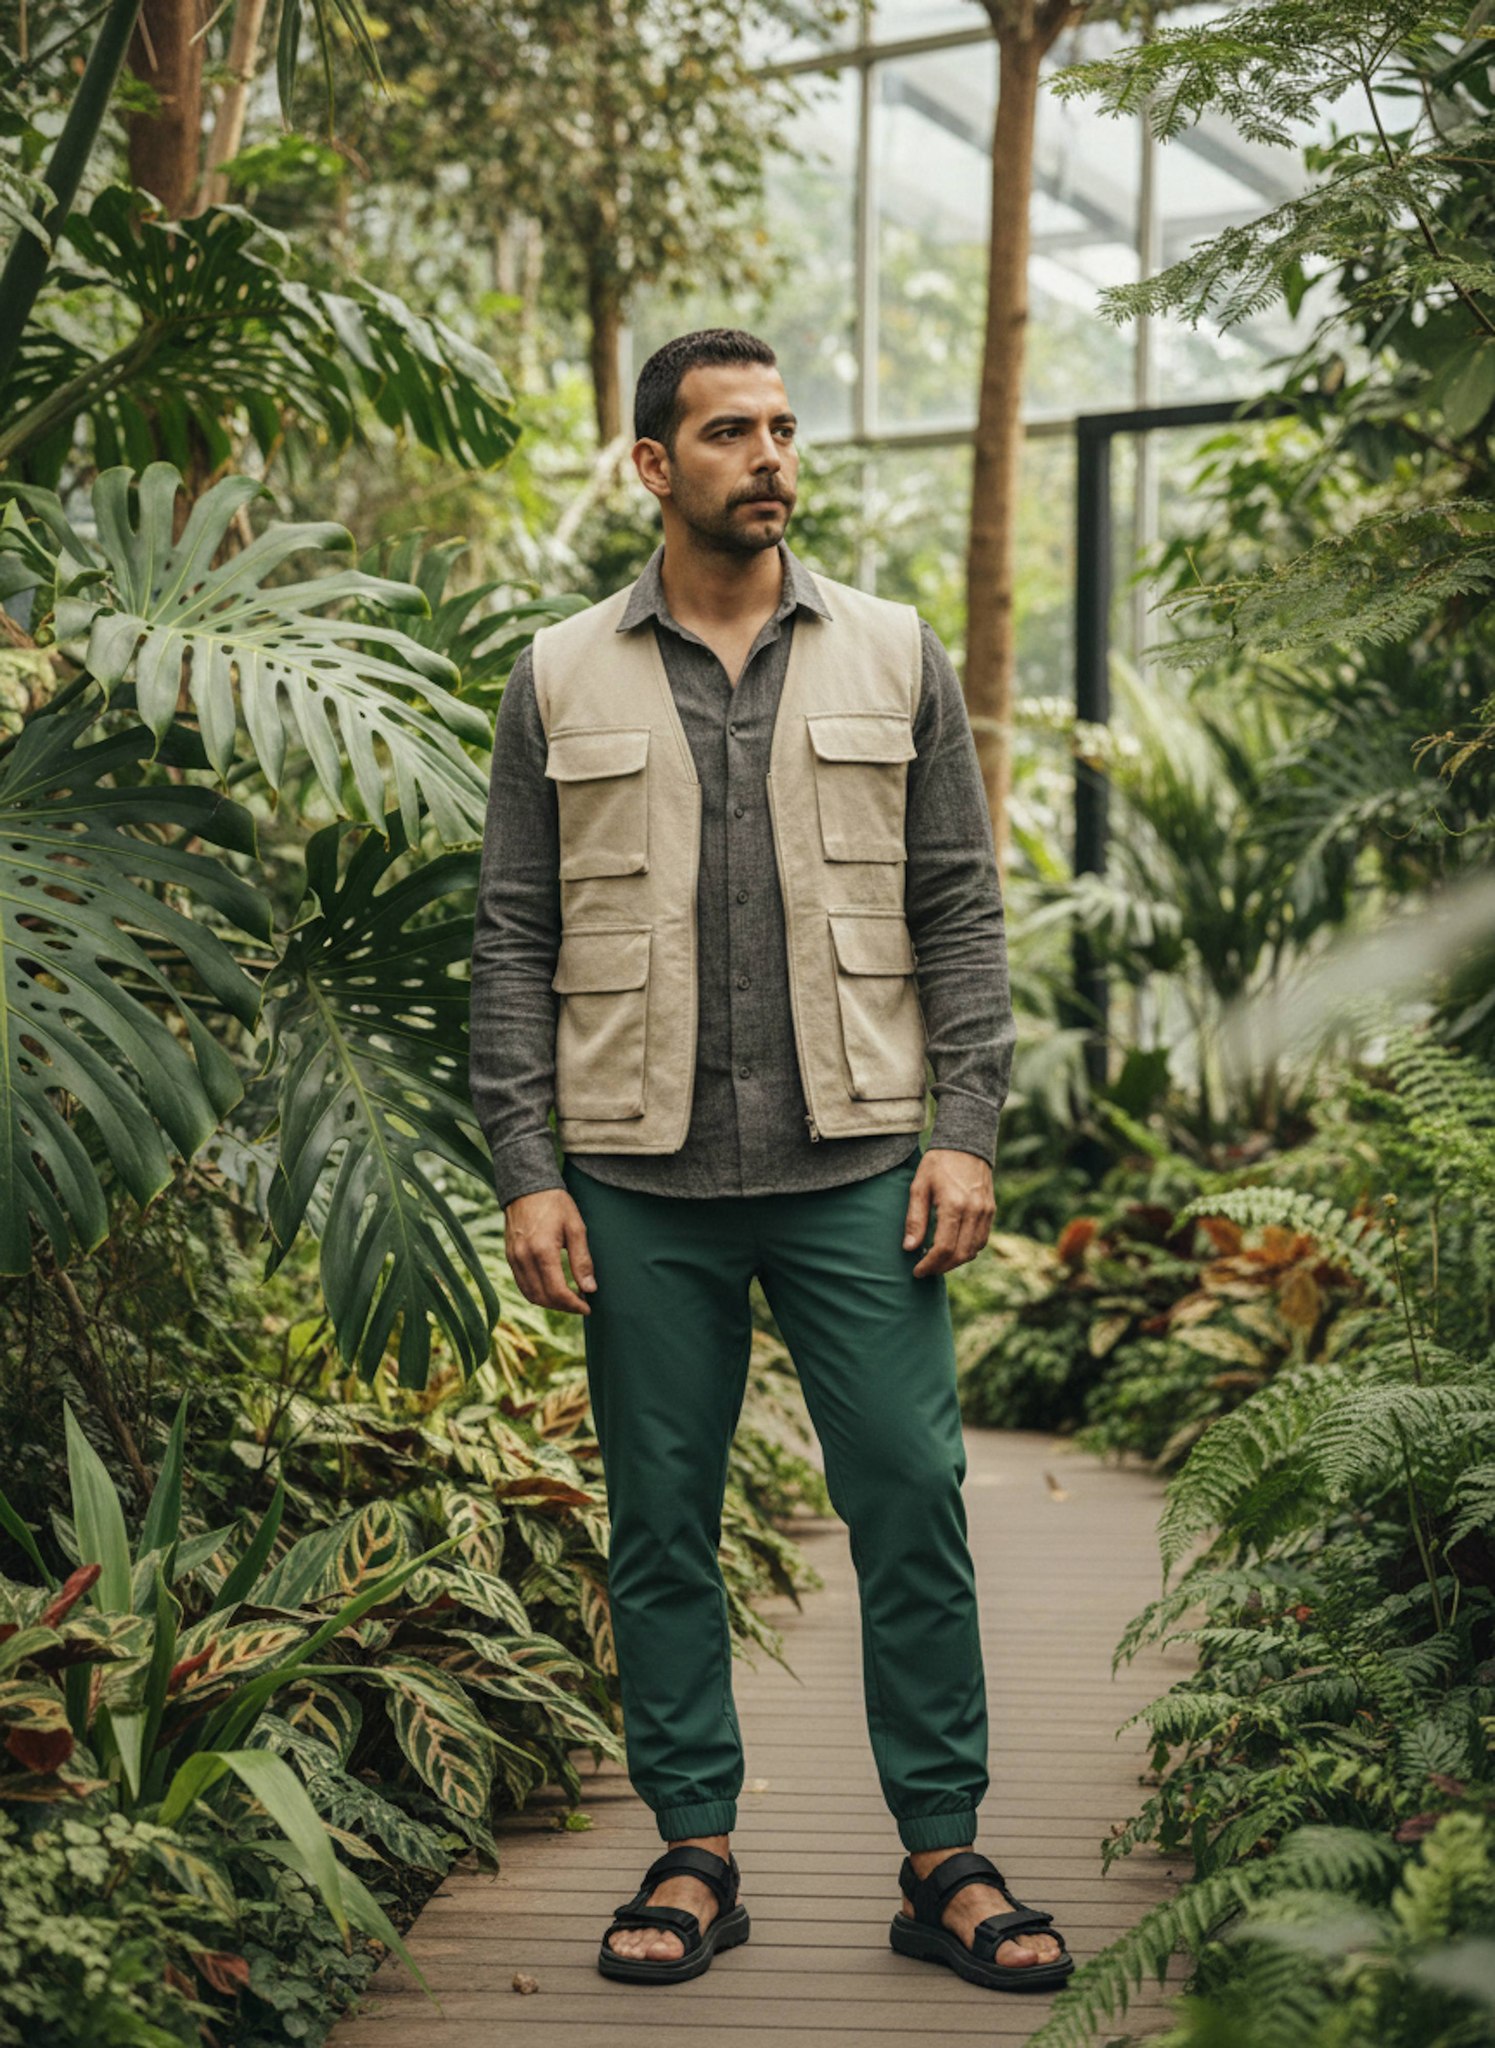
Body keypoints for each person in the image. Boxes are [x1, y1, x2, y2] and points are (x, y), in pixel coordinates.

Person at [467, 328, 1073, 1994]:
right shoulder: (555, 673)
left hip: (859, 1163)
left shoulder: (893, 652)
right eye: (729, 431)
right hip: (636, 1178)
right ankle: (696, 1849)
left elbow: (957, 901)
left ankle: (942, 1854)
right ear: (652, 465)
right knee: (661, 1520)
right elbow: (513, 932)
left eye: (785, 426)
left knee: (911, 1494)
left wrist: (966, 1129)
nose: (771, 455)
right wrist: (526, 1163)